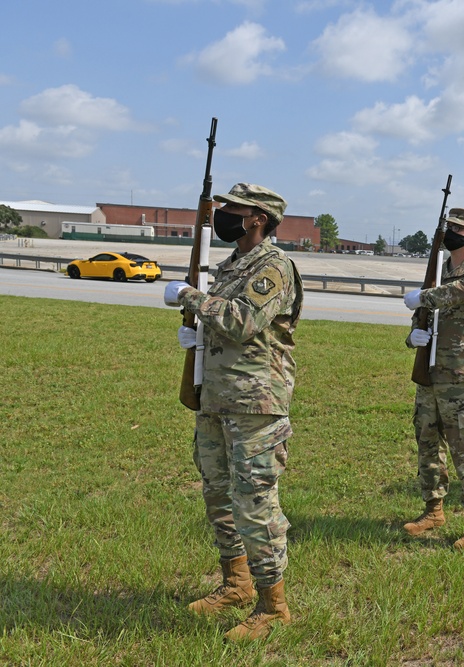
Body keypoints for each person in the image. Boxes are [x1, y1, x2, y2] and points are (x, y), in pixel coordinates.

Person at [163, 183, 303, 641]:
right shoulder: (229, 267)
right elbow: (219, 321)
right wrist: (196, 337)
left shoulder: (274, 266)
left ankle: (273, 605)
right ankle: (237, 583)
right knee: (219, 495)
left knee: (255, 503)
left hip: (256, 404)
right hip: (217, 399)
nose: (222, 215)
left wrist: (191, 298)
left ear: (257, 217)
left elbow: (242, 320)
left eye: (231, 210)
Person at [401, 208, 464, 552]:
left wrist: (424, 295)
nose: (451, 235)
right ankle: (433, 509)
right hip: (429, 374)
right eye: (448, 229)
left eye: (458, 230)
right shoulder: (440, 272)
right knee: (428, 445)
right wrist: (413, 334)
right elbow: (422, 314)